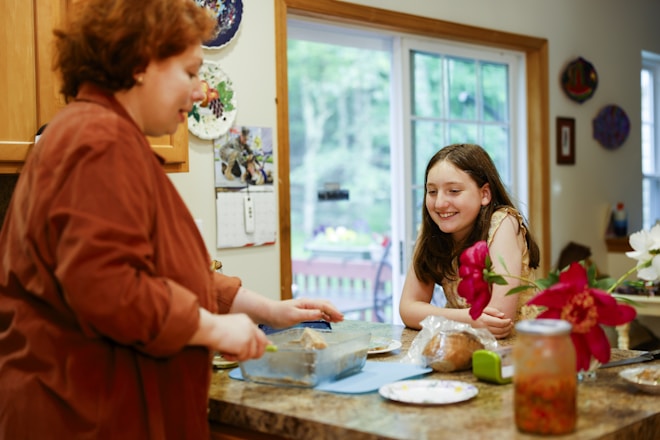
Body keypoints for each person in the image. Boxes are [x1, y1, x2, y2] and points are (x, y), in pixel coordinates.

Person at [0, 1, 343, 438]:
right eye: (190, 72)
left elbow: (165, 272)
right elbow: (108, 286)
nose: (201, 92)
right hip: (87, 415)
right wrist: (214, 327)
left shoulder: (103, 134)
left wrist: (269, 310)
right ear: (142, 61)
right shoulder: (98, 139)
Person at [399, 143, 540, 339]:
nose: (439, 203)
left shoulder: (503, 223)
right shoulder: (432, 228)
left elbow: (499, 318)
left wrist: (444, 317)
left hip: (520, 348)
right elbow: (408, 309)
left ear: (484, 194)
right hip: (465, 342)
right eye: (432, 192)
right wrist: (469, 318)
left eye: (454, 191)